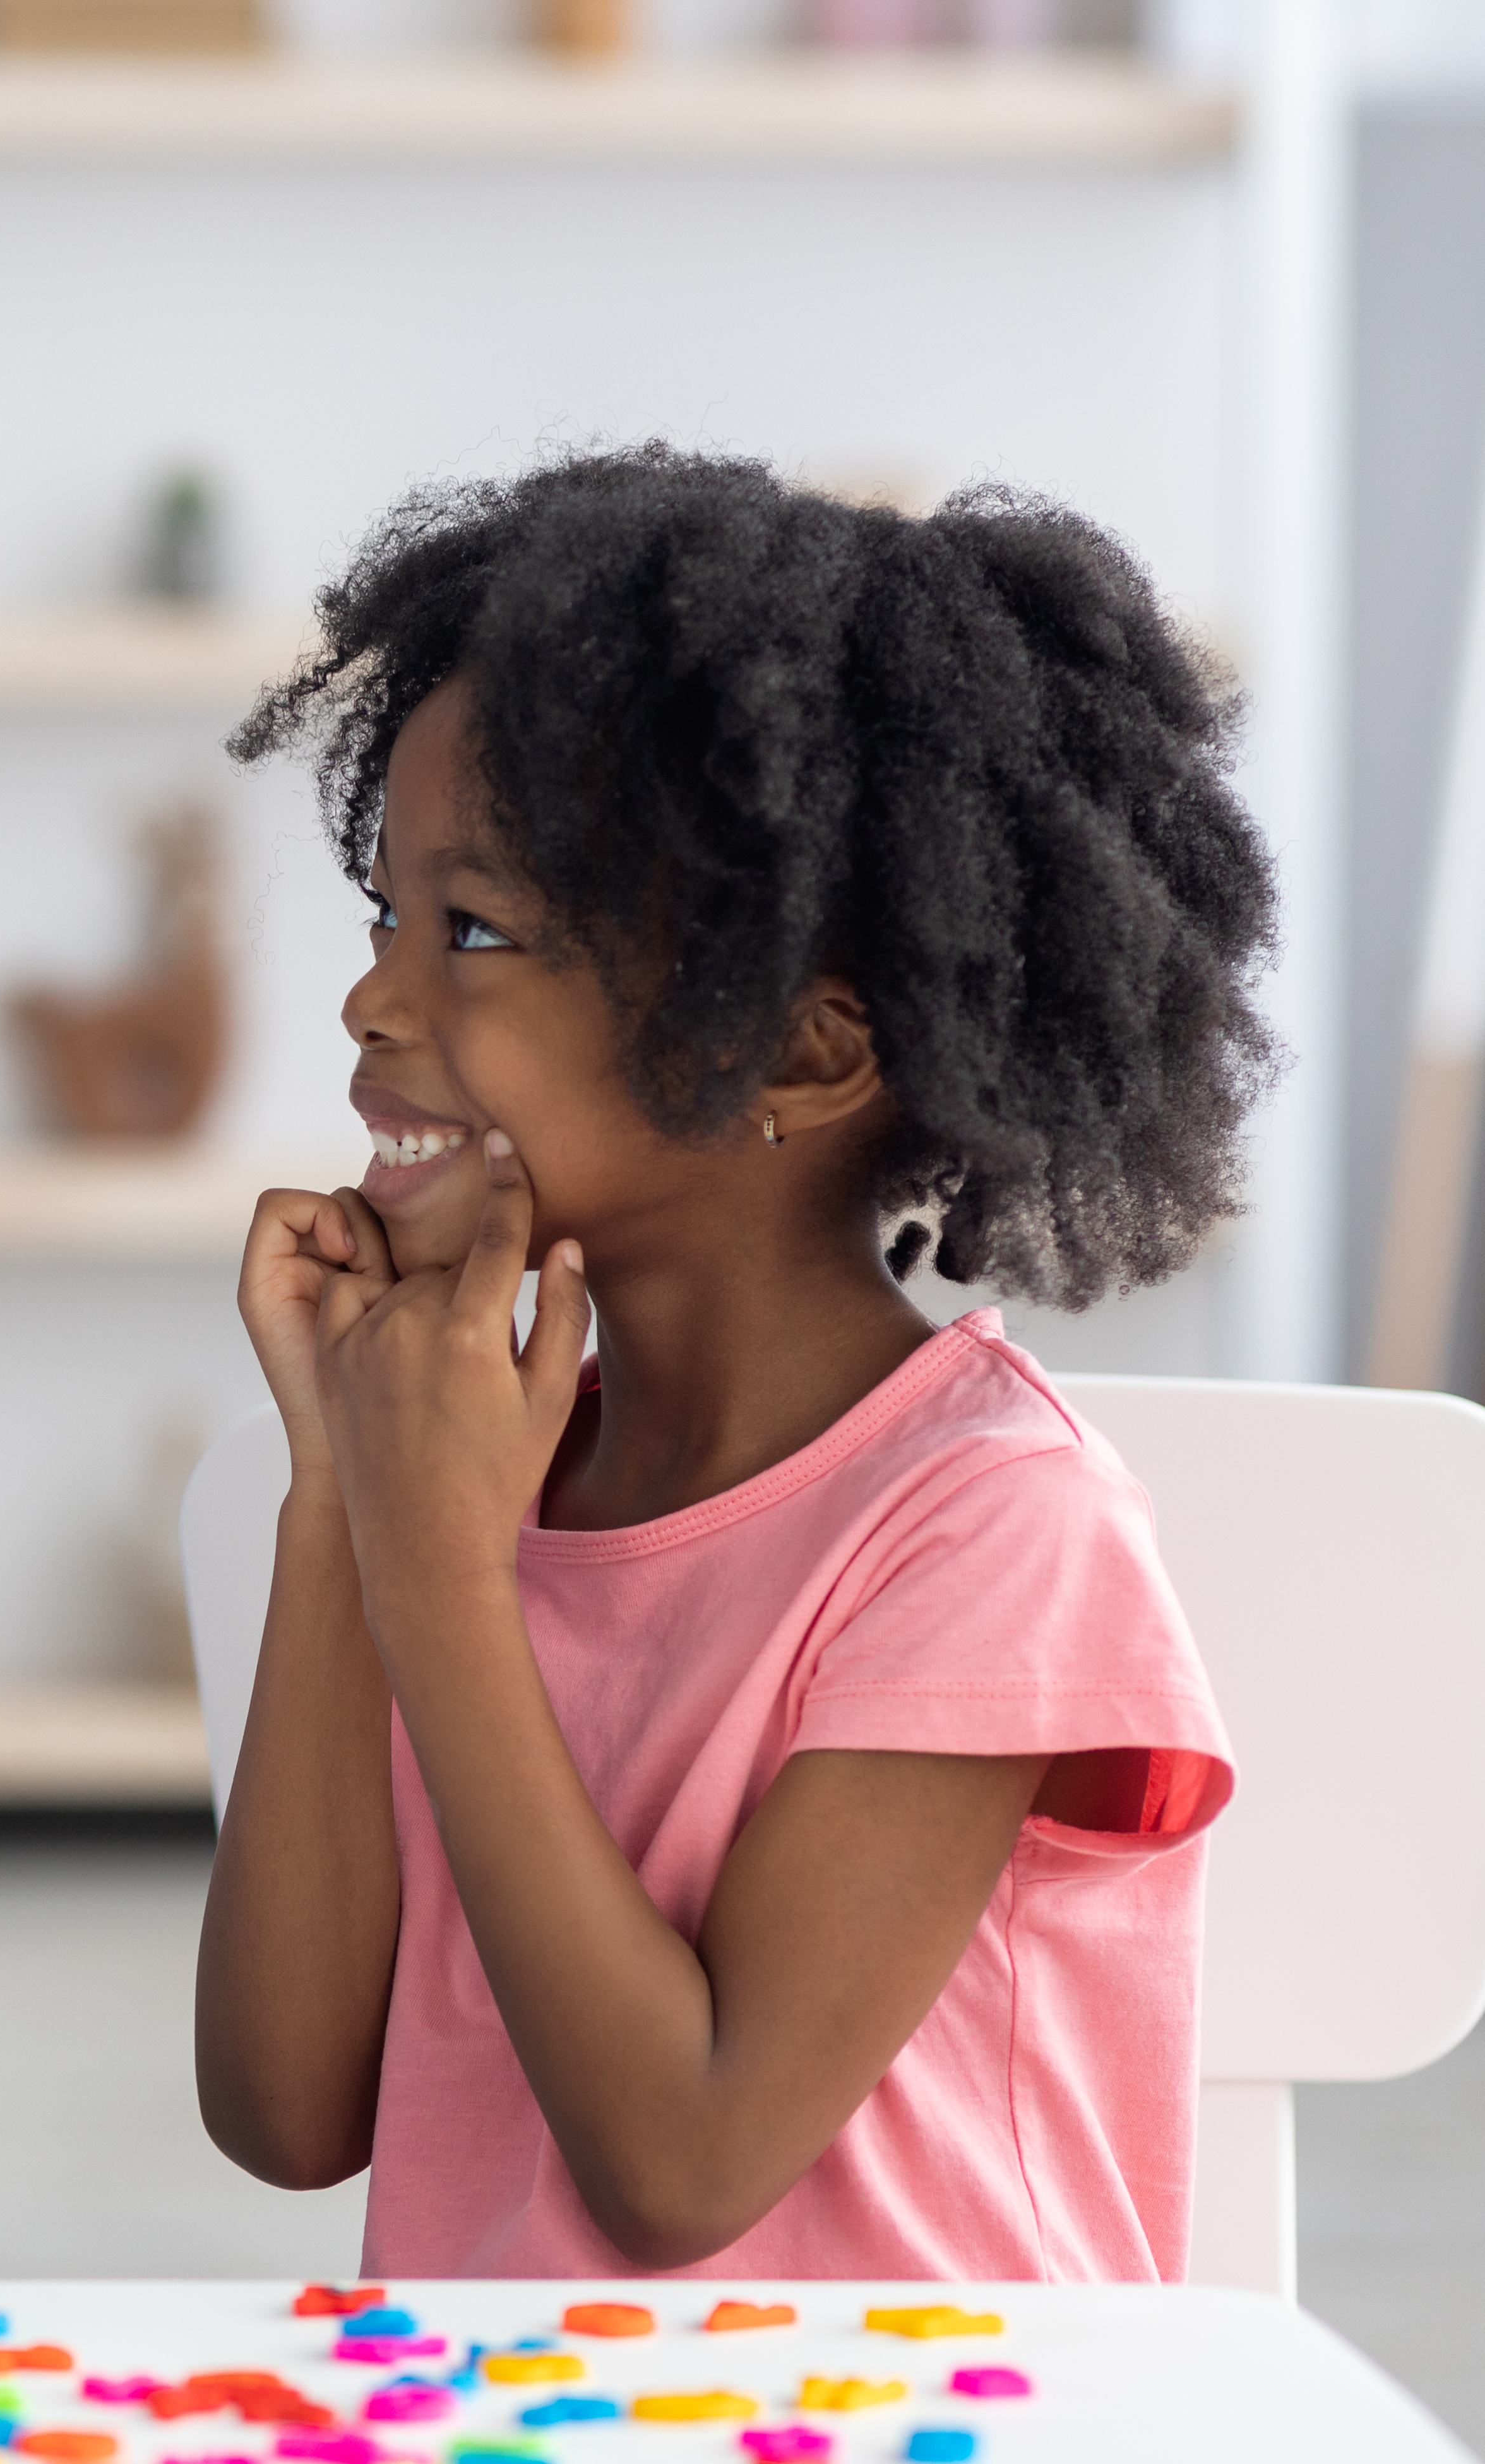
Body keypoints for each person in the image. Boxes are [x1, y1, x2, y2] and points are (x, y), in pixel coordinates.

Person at [195, 447, 1262, 2281]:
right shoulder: (477, 1469)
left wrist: (439, 1572)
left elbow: (685, 2161)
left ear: (800, 1055)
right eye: (386, 917)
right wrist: (341, 1502)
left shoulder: (993, 1530)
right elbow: (288, 2113)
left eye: (473, 934)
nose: (374, 1000)